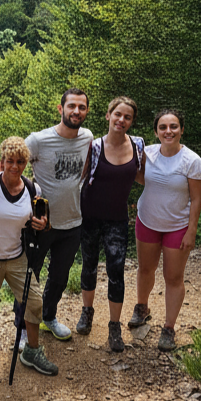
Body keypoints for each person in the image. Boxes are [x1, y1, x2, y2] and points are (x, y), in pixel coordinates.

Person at [0, 89, 92, 342]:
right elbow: (9, 162)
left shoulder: (88, 137)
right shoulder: (38, 140)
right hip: (39, 224)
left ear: (87, 112)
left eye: (81, 107)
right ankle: (23, 327)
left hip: (73, 222)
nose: (76, 111)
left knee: (59, 277)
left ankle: (48, 316)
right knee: (29, 277)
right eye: (71, 106)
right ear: (61, 109)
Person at [0, 137, 57, 376]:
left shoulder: (33, 189)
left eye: (20, 161)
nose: (14, 166)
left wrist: (43, 224)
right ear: (2, 161)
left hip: (18, 255)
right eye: (10, 161)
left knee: (34, 301)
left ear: (26, 163)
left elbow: (43, 220)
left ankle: (31, 349)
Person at [129, 108, 201, 352]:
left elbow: (196, 199)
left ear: (182, 129)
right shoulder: (148, 154)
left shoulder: (192, 161)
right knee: (145, 269)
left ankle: (169, 327)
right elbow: (141, 178)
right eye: (163, 127)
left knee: (173, 277)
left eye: (173, 126)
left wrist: (191, 231)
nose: (168, 131)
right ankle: (142, 307)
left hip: (177, 227)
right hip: (148, 221)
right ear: (156, 131)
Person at [77, 97, 145, 352]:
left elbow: (144, 177)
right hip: (89, 216)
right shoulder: (93, 147)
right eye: (118, 114)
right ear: (108, 116)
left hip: (117, 219)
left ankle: (114, 327)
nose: (121, 120)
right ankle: (87, 311)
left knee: (116, 272)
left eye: (127, 117)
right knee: (89, 265)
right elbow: (78, 178)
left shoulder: (138, 146)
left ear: (131, 121)